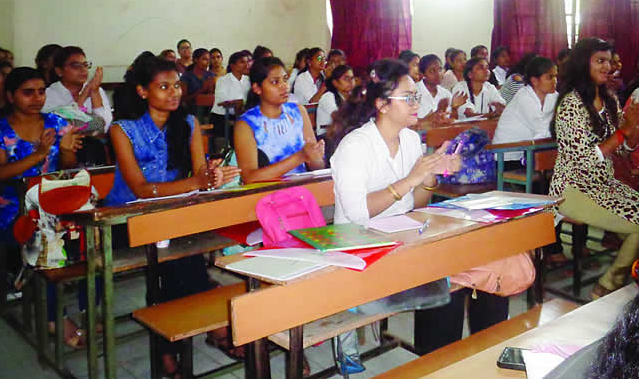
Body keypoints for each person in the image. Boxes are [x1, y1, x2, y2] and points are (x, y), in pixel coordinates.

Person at [105, 55, 241, 378]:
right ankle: (203, 330)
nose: (174, 92)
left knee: (181, 261)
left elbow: (198, 174)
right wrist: (197, 181)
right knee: (175, 265)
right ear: (142, 92)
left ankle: (174, 342)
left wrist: (211, 174)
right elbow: (139, 188)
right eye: (163, 87)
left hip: (174, 217)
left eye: (176, 85)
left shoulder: (189, 124)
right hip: (128, 221)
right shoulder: (122, 130)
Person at [330, 59, 461, 367]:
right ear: (382, 104)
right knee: (443, 282)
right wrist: (410, 179)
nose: (417, 104)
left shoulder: (411, 139)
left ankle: (437, 364)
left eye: (417, 96)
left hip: (400, 237)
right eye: (409, 98)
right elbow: (359, 214)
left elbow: (416, 201)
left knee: (455, 278)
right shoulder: (355, 146)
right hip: (359, 244)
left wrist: (430, 175)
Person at [548, 38, 639, 300]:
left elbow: (621, 150)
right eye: (600, 60)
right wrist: (623, 131)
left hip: (603, 185)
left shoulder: (609, 99)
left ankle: (621, 279)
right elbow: (585, 159)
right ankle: (608, 285)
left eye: (609, 61)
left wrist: (633, 132)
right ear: (582, 63)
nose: (607, 66)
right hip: (573, 189)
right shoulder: (571, 104)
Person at [0, 67, 84, 347]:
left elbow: (68, 170)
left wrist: (69, 151)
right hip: (11, 210)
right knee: (44, 235)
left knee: (91, 232)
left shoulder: (57, 123)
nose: (36, 98)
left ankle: (88, 307)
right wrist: (38, 155)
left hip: (52, 202)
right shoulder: (1, 129)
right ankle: (54, 317)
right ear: (11, 95)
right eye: (28, 92)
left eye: (41, 91)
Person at [234, 56, 325, 184]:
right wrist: (300, 157)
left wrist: (316, 157)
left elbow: (317, 167)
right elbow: (249, 177)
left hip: (302, 191)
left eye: (285, 79)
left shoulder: (298, 111)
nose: (285, 87)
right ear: (257, 88)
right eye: (275, 82)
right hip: (266, 196)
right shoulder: (246, 124)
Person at [493, 56, 558, 168]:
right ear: (535, 81)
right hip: (507, 156)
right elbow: (541, 130)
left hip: (530, 151)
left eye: (556, 76)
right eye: (549, 77)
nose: (555, 81)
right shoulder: (524, 97)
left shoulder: (554, 96)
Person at [209, 50, 251, 144]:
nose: (246, 65)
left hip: (241, 115)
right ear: (233, 66)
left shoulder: (248, 80)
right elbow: (223, 101)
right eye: (242, 62)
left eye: (247, 62)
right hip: (222, 117)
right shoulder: (223, 80)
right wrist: (239, 102)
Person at [416, 54, 467, 127]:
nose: (438, 74)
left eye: (440, 69)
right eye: (432, 71)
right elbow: (410, 123)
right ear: (422, 74)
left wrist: (454, 108)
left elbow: (452, 121)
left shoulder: (445, 93)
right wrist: (436, 113)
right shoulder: (414, 92)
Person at [316, 65, 354, 136]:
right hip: (326, 137)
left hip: (343, 133)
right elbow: (340, 119)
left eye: (352, 78)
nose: (350, 82)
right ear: (335, 83)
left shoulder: (352, 96)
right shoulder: (328, 97)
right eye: (346, 79)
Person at [179, 48, 216, 120]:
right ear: (196, 60)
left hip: (209, 109)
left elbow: (213, 95)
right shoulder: (186, 76)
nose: (208, 62)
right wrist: (202, 90)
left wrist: (212, 88)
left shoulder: (211, 75)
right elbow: (184, 99)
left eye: (209, 60)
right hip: (192, 111)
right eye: (205, 59)